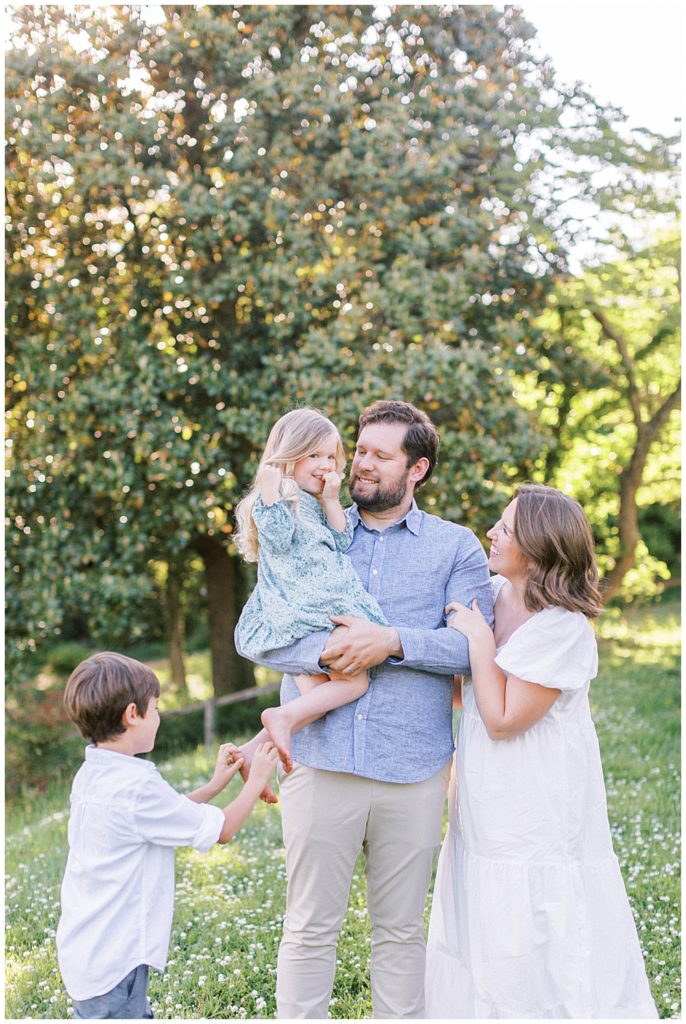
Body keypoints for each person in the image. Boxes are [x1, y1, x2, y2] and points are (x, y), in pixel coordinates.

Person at [235, 399, 494, 1019]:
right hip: (320, 762)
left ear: (418, 469)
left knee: (401, 933)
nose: (360, 465)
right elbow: (263, 628)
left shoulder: (456, 549)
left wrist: (392, 641)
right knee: (309, 928)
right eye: (360, 450)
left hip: (414, 767)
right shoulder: (308, 530)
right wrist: (330, 658)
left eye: (381, 455)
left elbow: (472, 648)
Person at [425, 484, 658, 1019]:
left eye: (504, 529)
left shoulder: (563, 628)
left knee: (535, 911)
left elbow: (505, 718)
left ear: (536, 547)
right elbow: (466, 690)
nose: (490, 533)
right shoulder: (488, 594)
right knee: (480, 906)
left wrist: (479, 644)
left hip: (538, 799)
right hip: (483, 793)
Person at [56, 651, 278, 1019]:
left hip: (87, 950)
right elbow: (222, 831)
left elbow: (162, 817)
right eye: (155, 709)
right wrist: (256, 781)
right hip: (115, 959)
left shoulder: (93, 773)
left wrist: (213, 787)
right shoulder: (137, 783)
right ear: (132, 715)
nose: (158, 718)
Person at [234, 408, 387, 770]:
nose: (324, 464)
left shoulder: (314, 503)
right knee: (354, 684)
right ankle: (280, 722)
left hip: (321, 602)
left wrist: (332, 500)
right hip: (305, 607)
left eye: (330, 456)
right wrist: (270, 495)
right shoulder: (277, 498)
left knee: (321, 698)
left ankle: (258, 749)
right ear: (288, 457)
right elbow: (280, 540)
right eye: (314, 455)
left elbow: (341, 537)